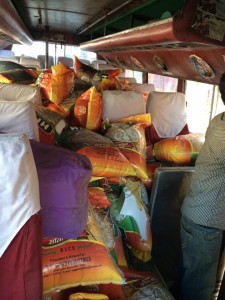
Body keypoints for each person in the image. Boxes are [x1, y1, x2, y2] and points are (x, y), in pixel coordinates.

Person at [178, 72, 225, 300]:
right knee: (198, 291)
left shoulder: (220, 118)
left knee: (191, 278)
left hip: (199, 215)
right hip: (204, 224)